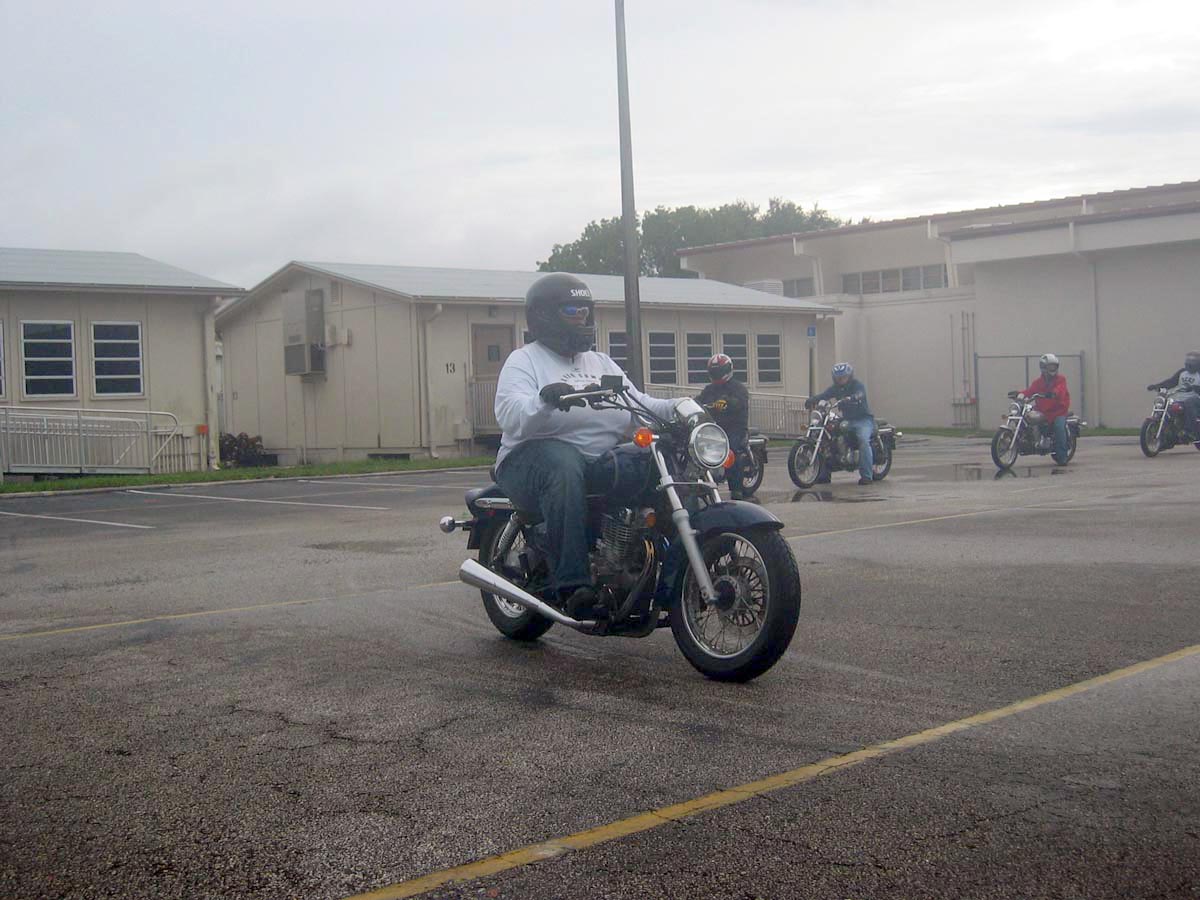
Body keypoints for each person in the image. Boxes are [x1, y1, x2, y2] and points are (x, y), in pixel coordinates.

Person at [493, 273, 682, 618]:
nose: (581, 318)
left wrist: (682, 408)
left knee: (659, 457)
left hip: (595, 463)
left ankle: (659, 560)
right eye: (571, 310)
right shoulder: (525, 360)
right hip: (527, 460)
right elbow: (510, 415)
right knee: (563, 463)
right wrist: (544, 400)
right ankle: (572, 585)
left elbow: (638, 405)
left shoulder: (601, 362)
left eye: (585, 311)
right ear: (544, 315)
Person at [806, 362, 876, 485]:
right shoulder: (835, 388)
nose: (841, 379)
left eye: (844, 377)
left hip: (863, 419)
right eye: (838, 377)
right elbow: (824, 395)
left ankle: (867, 476)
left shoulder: (857, 385)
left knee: (863, 440)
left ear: (850, 376)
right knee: (828, 438)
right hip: (847, 420)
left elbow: (860, 393)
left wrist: (852, 398)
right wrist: (812, 400)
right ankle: (824, 474)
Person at [697, 353, 752, 498]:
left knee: (730, 451)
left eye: (719, 371)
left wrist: (729, 402)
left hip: (735, 427)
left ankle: (736, 488)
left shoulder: (738, 388)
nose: (717, 374)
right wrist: (688, 403)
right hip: (715, 427)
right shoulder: (709, 389)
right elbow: (699, 400)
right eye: (714, 372)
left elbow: (739, 402)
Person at [1022, 353, 1071, 465]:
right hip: (1043, 411)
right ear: (1043, 367)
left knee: (1059, 427)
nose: (1052, 369)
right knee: (1030, 418)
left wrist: (1054, 393)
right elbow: (1030, 391)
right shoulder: (1038, 382)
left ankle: (1062, 457)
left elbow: (1060, 389)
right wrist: (1020, 394)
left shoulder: (1061, 379)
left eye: (1054, 366)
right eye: (1050, 366)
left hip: (1058, 411)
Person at [1147, 350, 1200, 448]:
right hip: (1179, 399)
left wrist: (1195, 388)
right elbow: (1171, 382)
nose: (1190, 363)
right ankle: (1166, 436)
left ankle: (1189, 431)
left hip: (1196, 399)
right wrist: (1156, 386)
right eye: (1189, 360)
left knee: (1189, 402)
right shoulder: (1182, 372)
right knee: (1167, 406)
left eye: (1193, 361)